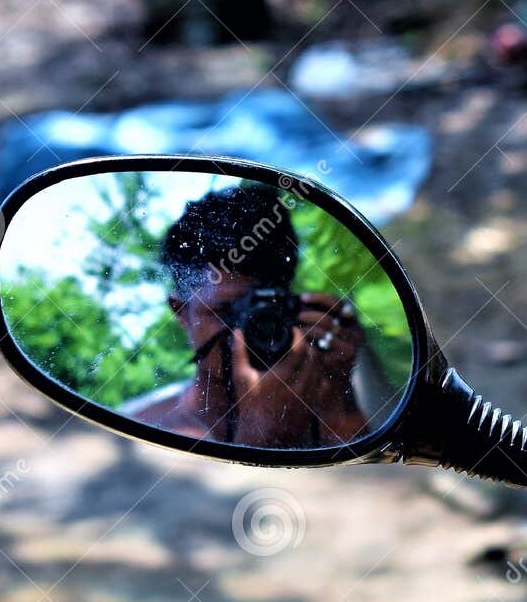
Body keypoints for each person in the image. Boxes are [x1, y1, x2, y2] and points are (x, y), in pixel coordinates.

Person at [124, 183, 368, 447]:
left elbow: (369, 478)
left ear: (293, 306)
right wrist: (262, 435)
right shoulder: (139, 433)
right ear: (181, 311)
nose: (247, 328)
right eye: (226, 311)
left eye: (266, 307)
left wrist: (336, 394)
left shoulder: (322, 406)